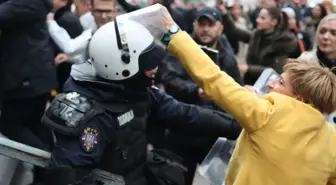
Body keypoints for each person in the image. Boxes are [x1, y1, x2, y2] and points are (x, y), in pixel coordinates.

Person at [41, 11, 241, 185]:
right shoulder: (88, 113)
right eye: (147, 62)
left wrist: (242, 123)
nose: (154, 68)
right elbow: (69, 176)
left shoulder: (135, 89)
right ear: (122, 67)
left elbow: (185, 113)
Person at [162, 5, 336, 185]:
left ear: (300, 99)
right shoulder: (332, 140)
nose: (270, 83)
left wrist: (173, 33)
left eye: (280, 82)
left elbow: (214, 79)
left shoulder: (265, 114)